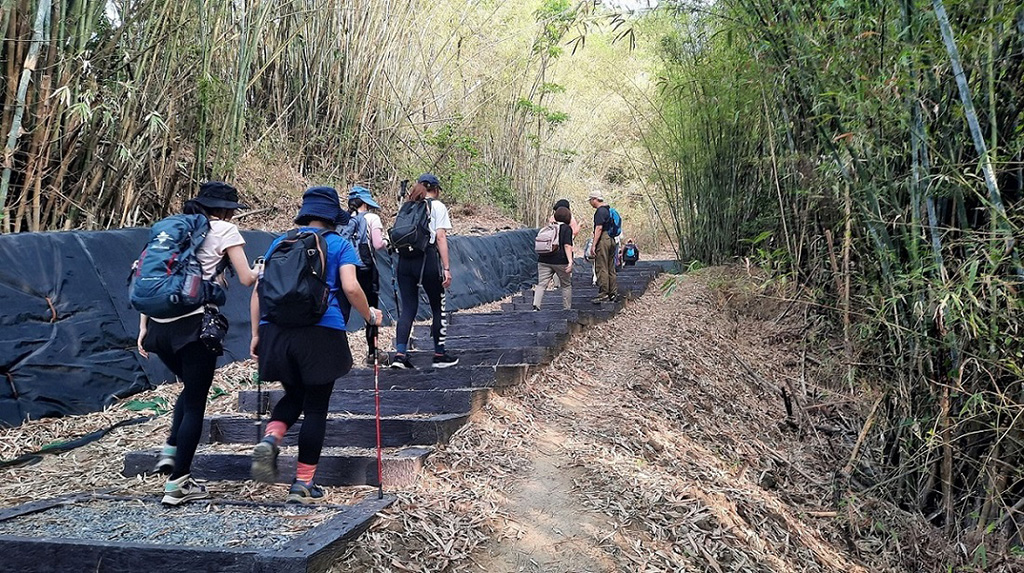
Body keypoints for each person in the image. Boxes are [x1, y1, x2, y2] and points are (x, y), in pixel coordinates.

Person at [249, 186, 383, 503]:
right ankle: (303, 484)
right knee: (316, 408)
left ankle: (271, 437)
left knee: (293, 394)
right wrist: (370, 315)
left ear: (305, 214)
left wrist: (256, 335)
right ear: (332, 218)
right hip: (321, 332)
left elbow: (258, 292)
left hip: (276, 332)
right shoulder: (339, 245)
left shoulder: (278, 243)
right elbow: (351, 287)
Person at [137, 181, 261, 506]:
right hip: (195, 327)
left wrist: (144, 328)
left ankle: (170, 451)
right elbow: (246, 277)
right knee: (195, 401)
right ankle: (178, 484)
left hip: (158, 329)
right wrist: (264, 268)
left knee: (188, 390)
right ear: (226, 209)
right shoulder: (226, 231)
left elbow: (148, 276)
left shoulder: (174, 231)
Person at [391, 173, 458, 370]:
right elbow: (440, 238)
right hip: (426, 259)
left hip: (404, 261)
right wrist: (446, 268)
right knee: (437, 306)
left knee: (408, 308)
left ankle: (400, 355)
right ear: (435, 189)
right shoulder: (437, 206)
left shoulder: (407, 205)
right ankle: (439, 354)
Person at [347, 185, 388, 365]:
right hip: (367, 269)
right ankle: (373, 352)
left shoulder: (346, 219)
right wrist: (387, 240)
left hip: (347, 268)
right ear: (366, 202)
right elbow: (378, 245)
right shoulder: (373, 218)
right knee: (371, 308)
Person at [534, 206, 574, 311]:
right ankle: (566, 308)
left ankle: (536, 306)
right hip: (560, 261)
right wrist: (570, 261)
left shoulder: (548, 228)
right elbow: (567, 246)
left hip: (543, 259)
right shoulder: (566, 228)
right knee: (566, 285)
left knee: (541, 284)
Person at [587, 190, 618, 303]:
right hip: (612, 239)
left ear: (595, 199)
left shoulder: (600, 212)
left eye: (590, 200)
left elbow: (598, 228)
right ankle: (613, 292)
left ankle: (604, 293)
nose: (590, 202)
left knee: (601, 266)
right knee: (610, 267)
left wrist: (593, 245)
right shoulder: (608, 210)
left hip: (603, 239)